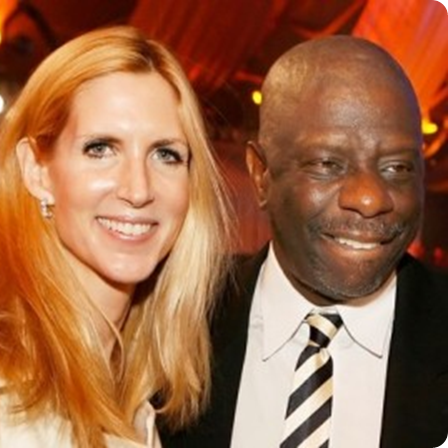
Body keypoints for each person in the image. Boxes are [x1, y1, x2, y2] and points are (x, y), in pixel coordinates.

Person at [0, 26, 231, 448]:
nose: (138, 189)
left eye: (165, 154)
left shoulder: (138, 404)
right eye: (100, 148)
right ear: (37, 170)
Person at [161, 36, 448, 448]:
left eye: (397, 167)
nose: (370, 199)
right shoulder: (170, 322)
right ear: (261, 174)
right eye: (328, 164)